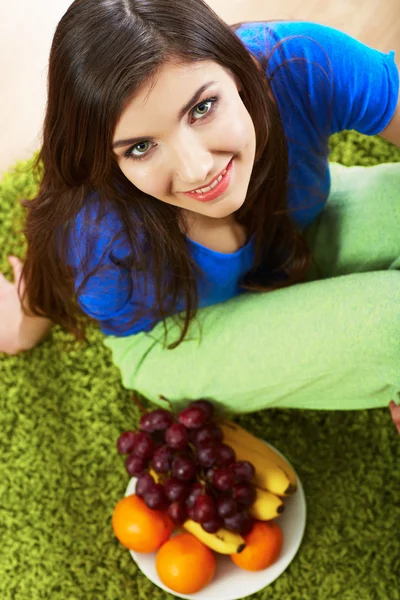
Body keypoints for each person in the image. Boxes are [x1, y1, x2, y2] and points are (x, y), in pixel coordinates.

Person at [1, 0, 400, 433]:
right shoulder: (97, 231)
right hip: (174, 335)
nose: (197, 169)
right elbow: (54, 258)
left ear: (238, 70)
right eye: (140, 147)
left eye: (203, 108)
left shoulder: (299, 63)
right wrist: (24, 323)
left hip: (287, 239)